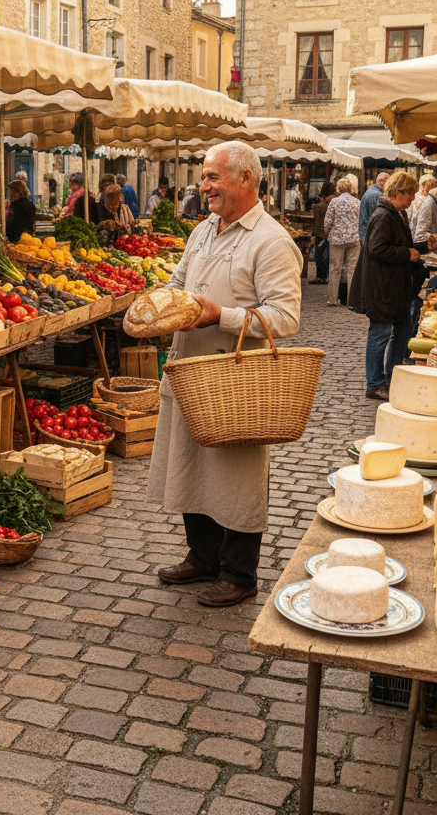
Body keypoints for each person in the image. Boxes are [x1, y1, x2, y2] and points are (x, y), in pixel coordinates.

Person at [142, 141, 301, 608]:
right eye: (204, 176)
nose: (203, 184)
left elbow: (285, 318)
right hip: (191, 371)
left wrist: (221, 317)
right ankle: (203, 556)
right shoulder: (204, 230)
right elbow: (178, 285)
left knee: (236, 472)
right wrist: (156, 307)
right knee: (191, 461)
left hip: (236, 380)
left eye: (213, 177)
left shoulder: (271, 241)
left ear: (246, 179)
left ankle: (239, 572)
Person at [348, 172, 423, 400]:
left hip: (395, 286)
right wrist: (406, 253)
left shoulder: (397, 214)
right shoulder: (383, 215)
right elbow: (377, 249)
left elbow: (405, 247)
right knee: (380, 333)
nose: (412, 199)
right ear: (398, 192)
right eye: (410, 194)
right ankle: (375, 383)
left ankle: (392, 375)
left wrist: (428, 245)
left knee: (403, 330)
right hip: (383, 287)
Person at [323, 175, 361, 306]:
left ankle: (333, 299)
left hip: (337, 239)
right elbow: (361, 221)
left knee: (334, 269)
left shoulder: (334, 202)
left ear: (339, 188)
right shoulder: (357, 202)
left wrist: (327, 234)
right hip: (354, 238)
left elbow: (328, 221)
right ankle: (351, 300)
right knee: (352, 269)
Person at [309, 181, 335, 284]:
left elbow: (317, 222)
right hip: (330, 233)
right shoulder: (334, 204)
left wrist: (313, 235)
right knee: (326, 256)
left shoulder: (320, 207)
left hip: (321, 233)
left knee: (319, 255)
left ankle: (321, 276)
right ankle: (325, 276)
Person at [359, 171, 389, 243]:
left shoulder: (370, 191)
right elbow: (378, 220)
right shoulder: (377, 195)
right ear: (383, 182)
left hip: (365, 235)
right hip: (371, 237)